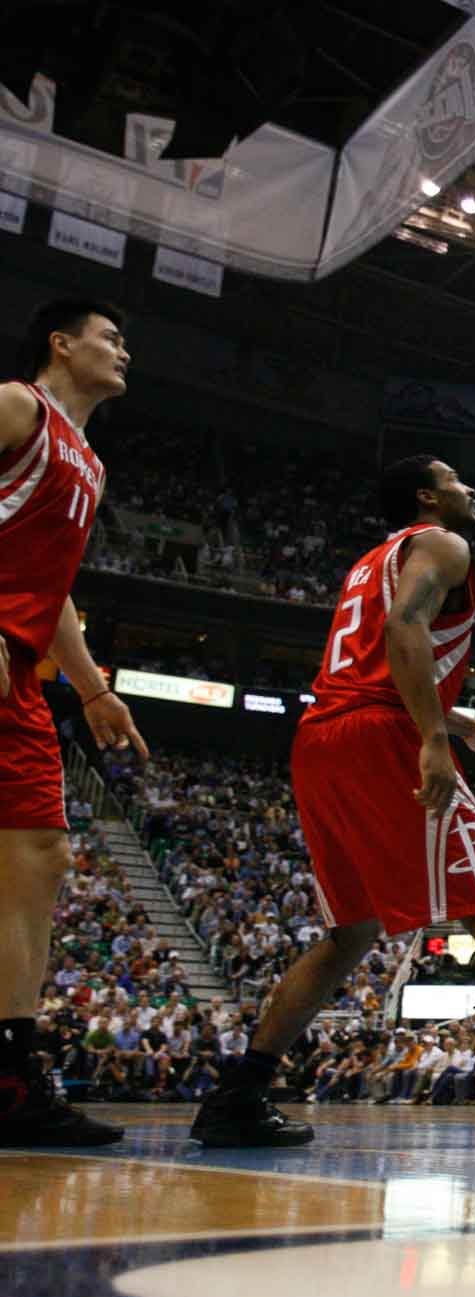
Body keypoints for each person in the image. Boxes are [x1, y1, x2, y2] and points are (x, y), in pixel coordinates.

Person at [187, 457, 475, 1152]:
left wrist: (464, 724)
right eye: (455, 481)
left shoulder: (368, 562)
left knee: (350, 932)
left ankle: (239, 1095)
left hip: (322, 736)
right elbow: (405, 628)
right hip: (383, 734)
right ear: (427, 498)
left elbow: (375, 657)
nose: (470, 488)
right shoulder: (444, 543)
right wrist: (436, 738)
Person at [0, 300, 147, 1147]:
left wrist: (94, 689)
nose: (124, 351)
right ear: (61, 343)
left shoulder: (86, 461)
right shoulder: (19, 404)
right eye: (110, 337)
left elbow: (49, 590)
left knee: (39, 851)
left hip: (20, 669)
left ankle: (11, 1075)